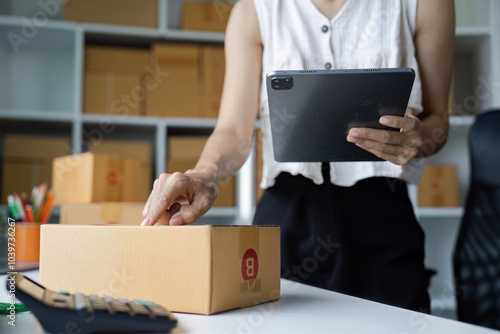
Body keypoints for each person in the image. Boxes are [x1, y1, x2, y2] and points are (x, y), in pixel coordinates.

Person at [141, 0, 455, 313]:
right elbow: (234, 131)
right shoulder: (254, 12)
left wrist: (420, 139)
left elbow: (437, 118)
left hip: (383, 219)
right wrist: (205, 175)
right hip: (287, 221)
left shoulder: (424, 5)